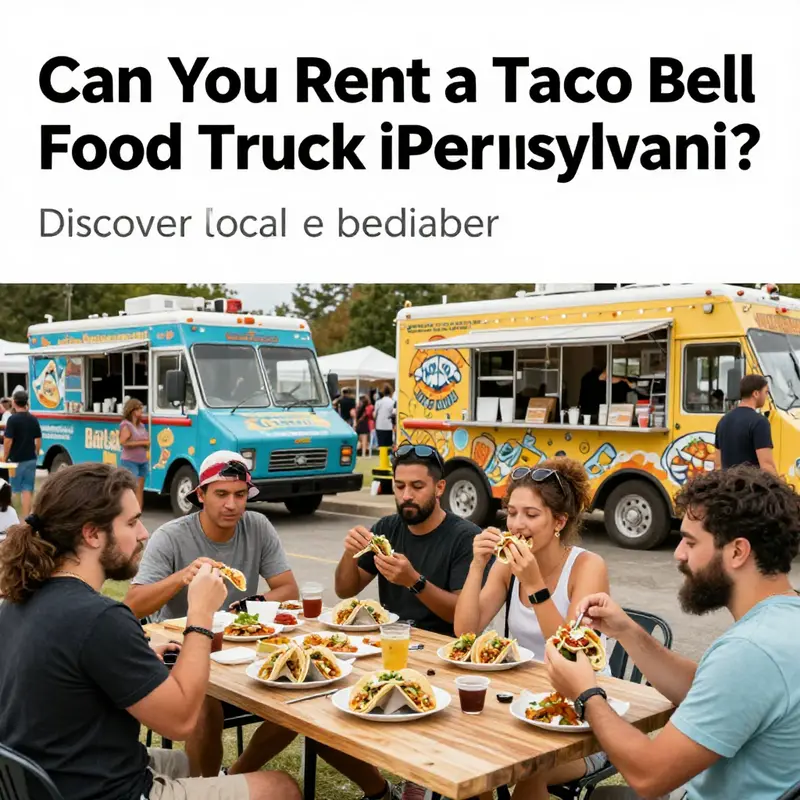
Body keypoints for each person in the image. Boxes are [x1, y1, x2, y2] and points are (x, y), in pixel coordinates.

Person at [0, 462, 299, 800]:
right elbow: (182, 721)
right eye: (131, 522)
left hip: (45, 779)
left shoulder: (16, 600)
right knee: (281, 788)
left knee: (189, 765)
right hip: (102, 790)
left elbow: (70, 675)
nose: (143, 533)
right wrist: (200, 614)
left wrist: (136, 657)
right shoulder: (101, 619)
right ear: (92, 533)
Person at [545, 466, 800, 800]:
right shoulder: (784, 623)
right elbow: (711, 690)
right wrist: (627, 631)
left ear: (737, 551)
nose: (679, 555)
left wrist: (586, 694)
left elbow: (649, 776)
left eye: (690, 542)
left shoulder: (749, 651)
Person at [336, 442, 485, 800]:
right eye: (399, 486)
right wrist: (348, 550)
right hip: (390, 648)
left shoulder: (465, 537)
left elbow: (461, 616)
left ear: (439, 488)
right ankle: (379, 790)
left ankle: (422, 779)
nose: (406, 496)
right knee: (328, 714)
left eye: (417, 487)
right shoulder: (388, 527)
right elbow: (345, 588)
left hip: (444, 655)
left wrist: (413, 581)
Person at [454, 457, 611, 799]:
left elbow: (571, 652)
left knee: (528, 765)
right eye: (511, 513)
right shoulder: (507, 564)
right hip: (524, 706)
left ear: (559, 521)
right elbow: (465, 632)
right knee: (475, 761)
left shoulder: (587, 567)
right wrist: (477, 564)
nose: (517, 524)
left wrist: (536, 586)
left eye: (531, 514)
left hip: (585, 719)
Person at [713, 374, 776, 474]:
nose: (766, 396)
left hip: (728, 487)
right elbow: (767, 466)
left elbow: (717, 465)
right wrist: (778, 487)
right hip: (751, 487)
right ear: (756, 393)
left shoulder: (723, 421)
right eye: (766, 392)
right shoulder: (760, 422)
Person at [2, 390, 42, 517]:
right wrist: (35, 453)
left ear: (14, 402)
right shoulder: (33, 419)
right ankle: (25, 519)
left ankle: (15, 517)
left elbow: (8, 441)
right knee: (27, 489)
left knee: (14, 489)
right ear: (26, 403)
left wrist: (5, 456)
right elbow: (38, 440)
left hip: (15, 461)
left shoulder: (12, 420)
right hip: (30, 459)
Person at [119, 397, 150, 509]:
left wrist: (146, 444)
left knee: (140, 488)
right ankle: (128, 510)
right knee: (131, 488)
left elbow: (146, 440)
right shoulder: (126, 425)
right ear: (132, 411)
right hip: (129, 461)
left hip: (142, 461)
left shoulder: (141, 425)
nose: (141, 411)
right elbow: (123, 442)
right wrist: (142, 442)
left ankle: (138, 511)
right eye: (139, 409)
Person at [373, 384, 395, 450]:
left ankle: (382, 459)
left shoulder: (378, 402)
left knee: (382, 446)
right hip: (389, 426)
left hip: (379, 426)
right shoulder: (393, 402)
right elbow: (394, 414)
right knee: (389, 445)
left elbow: (375, 415)